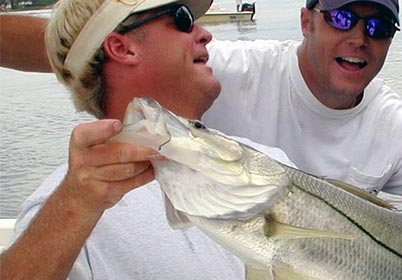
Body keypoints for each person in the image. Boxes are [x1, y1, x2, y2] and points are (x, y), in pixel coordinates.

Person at [1, 0, 402, 262]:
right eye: (344, 17)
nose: (360, 37)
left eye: (378, 27)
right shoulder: (228, 69)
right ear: (307, 20)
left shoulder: (267, 151)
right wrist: (74, 202)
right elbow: (90, 49)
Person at [0, 0, 296, 278]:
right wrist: (74, 205)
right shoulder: (69, 212)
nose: (205, 34)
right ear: (121, 47)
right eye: (183, 19)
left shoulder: (269, 161)